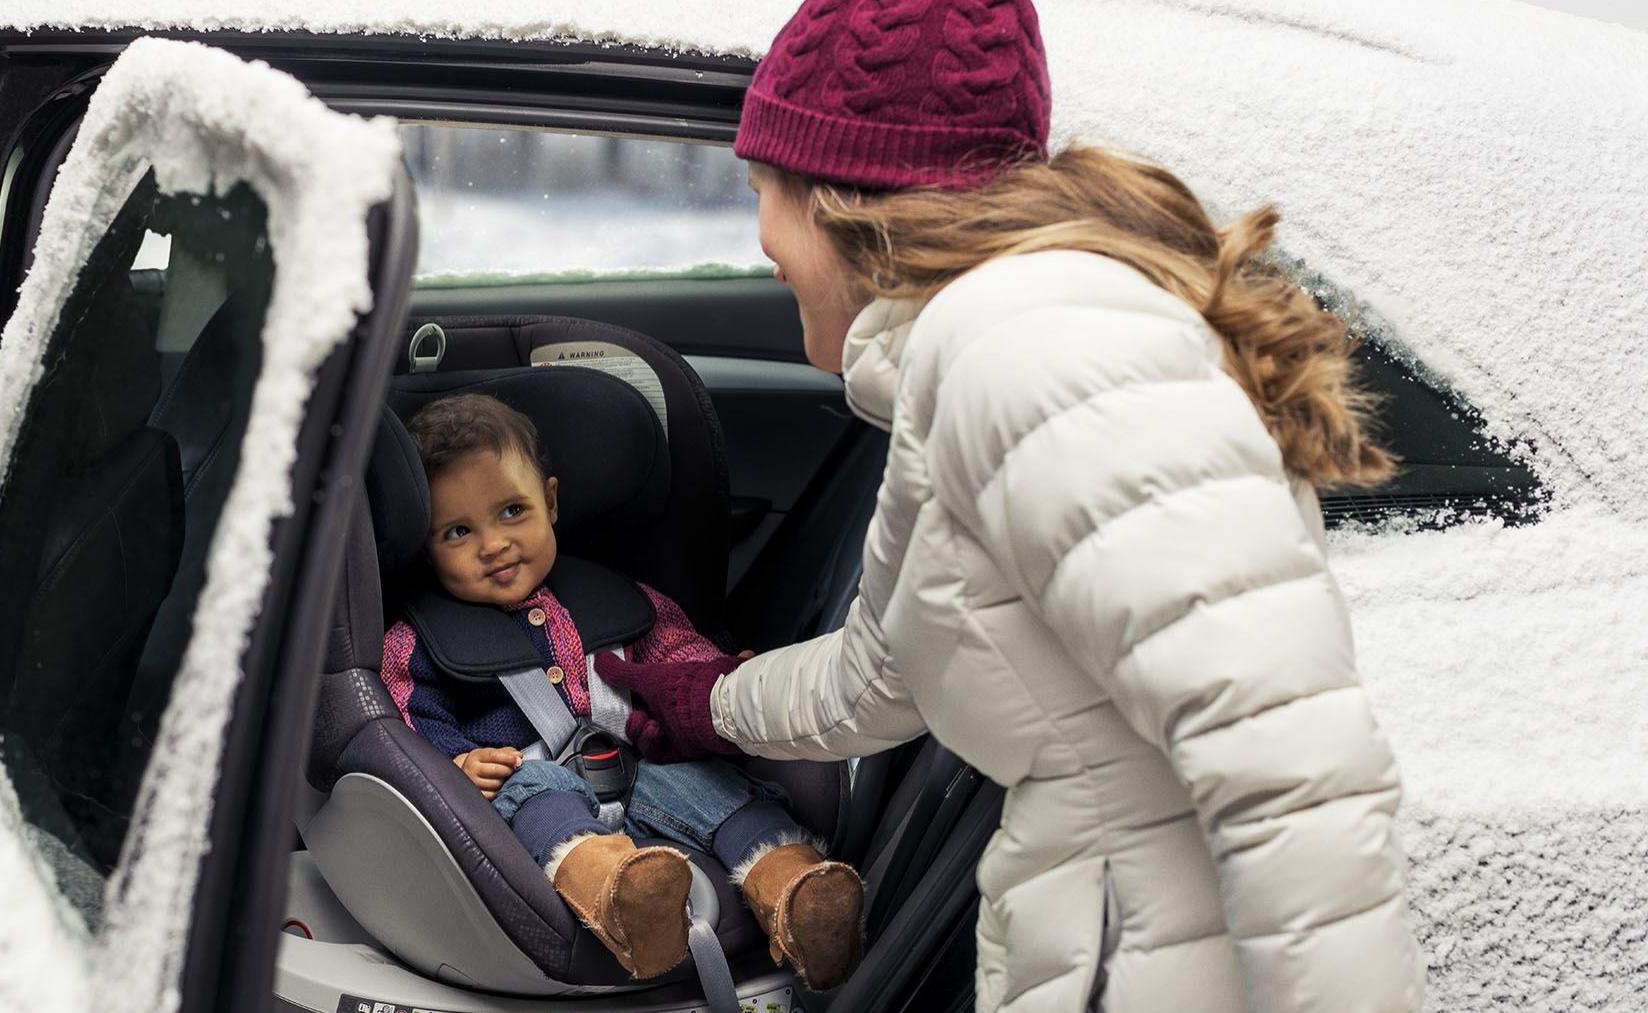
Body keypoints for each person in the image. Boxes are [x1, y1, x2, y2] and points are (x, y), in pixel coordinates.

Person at [592, 1, 1427, 1010]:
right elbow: (881, 676)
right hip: (1093, 927)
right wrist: (709, 699)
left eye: (763, 182)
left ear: (846, 192)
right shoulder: (965, 357)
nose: (760, 235)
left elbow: (1291, 767)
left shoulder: (1028, 346)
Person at [378, 393, 864, 986]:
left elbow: (675, 659)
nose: (494, 544)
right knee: (535, 794)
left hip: (643, 762)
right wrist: (457, 763)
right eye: (458, 531)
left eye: (512, 511)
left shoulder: (615, 598)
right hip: (528, 782)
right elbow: (409, 723)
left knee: (715, 791)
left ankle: (797, 891)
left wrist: (724, 681)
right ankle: (624, 897)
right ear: (426, 549)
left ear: (550, 502)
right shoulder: (418, 641)